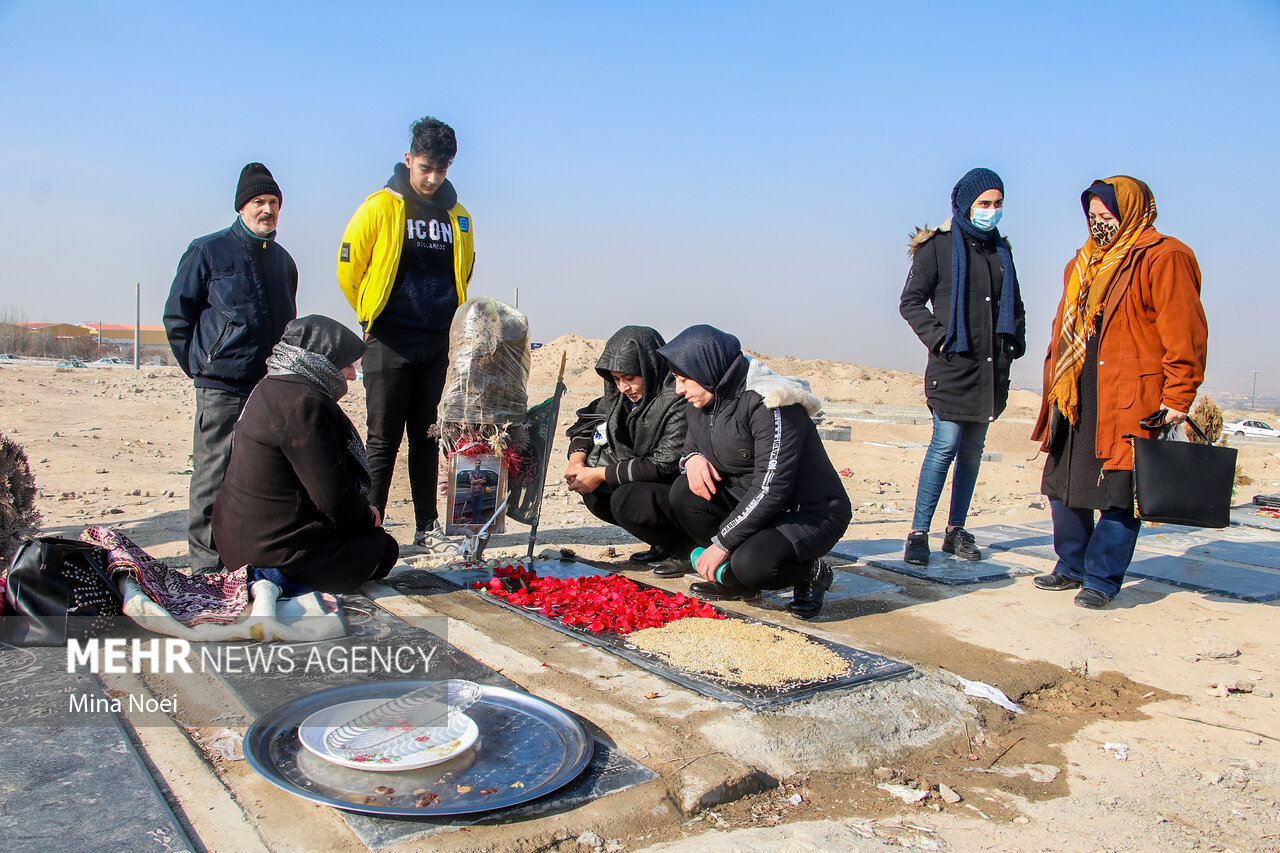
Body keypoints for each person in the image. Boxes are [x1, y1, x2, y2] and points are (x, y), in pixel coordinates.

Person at [1031, 176, 1207, 608]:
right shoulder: (1082, 263)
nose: (1099, 224)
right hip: (1075, 390)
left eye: (1108, 215)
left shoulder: (1164, 257)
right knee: (1064, 482)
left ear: (1132, 212)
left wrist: (1178, 396)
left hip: (1129, 393)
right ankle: (1070, 564)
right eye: (1092, 216)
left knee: (1118, 487)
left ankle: (1102, 578)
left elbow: (1185, 332)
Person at [337, 116, 476, 547]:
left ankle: (425, 528)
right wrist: (370, 314)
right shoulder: (380, 206)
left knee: (426, 438)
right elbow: (349, 266)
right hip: (389, 340)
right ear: (408, 159)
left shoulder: (460, 217)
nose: (433, 178)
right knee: (382, 440)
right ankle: (369, 528)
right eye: (425, 168)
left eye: (442, 169)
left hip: (436, 344)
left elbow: (464, 269)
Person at [658, 325, 852, 620]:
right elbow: (689, 446)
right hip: (751, 500)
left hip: (807, 512)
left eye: (684, 380)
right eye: (676, 380)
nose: (679, 389)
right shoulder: (704, 399)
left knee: (755, 566)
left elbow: (772, 487)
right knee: (685, 492)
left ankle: (811, 573)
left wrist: (722, 544)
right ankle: (738, 581)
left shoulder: (772, 402)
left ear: (708, 369)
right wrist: (693, 459)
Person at [164, 163, 297, 572]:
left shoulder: (284, 263)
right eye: (260, 201)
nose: (267, 209)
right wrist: (202, 365)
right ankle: (205, 566)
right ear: (242, 206)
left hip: (264, 389)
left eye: (274, 202)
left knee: (259, 476)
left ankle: (247, 558)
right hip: (220, 386)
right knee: (213, 474)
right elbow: (177, 316)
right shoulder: (208, 251)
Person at [212, 315, 399, 592]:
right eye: (346, 364)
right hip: (273, 556)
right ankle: (277, 581)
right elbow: (333, 496)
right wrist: (368, 517)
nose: (351, 375)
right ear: (321, 361)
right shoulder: (306, 404)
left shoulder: (268, 388)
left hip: (236, 547)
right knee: (384, 548)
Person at [899, 167, 1025, 566]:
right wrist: (941, 340)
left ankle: (955, 531)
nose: (991, 210)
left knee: (972, 452)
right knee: (945, 446)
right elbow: (911, 302)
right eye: (984, 204)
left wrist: (1015, 342)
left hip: (990, 371)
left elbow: (1015, 305)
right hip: (952, 368)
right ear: (965, 204)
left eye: (997, 204)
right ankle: (918, 533)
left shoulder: (1000, 250)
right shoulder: (936, 248)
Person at [564, 326, 693, 572]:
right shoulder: (620, 398)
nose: (623, 387)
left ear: (650, 368)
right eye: (616, 379)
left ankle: (687, 549)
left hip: (678, 488)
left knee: (626, 500)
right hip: (644, 481)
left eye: (630, 378)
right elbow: (585, 425)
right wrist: (577, 464)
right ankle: (662, 544)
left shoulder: (677, 401)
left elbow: (663, 465)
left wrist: (600, 474)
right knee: (595, 491)